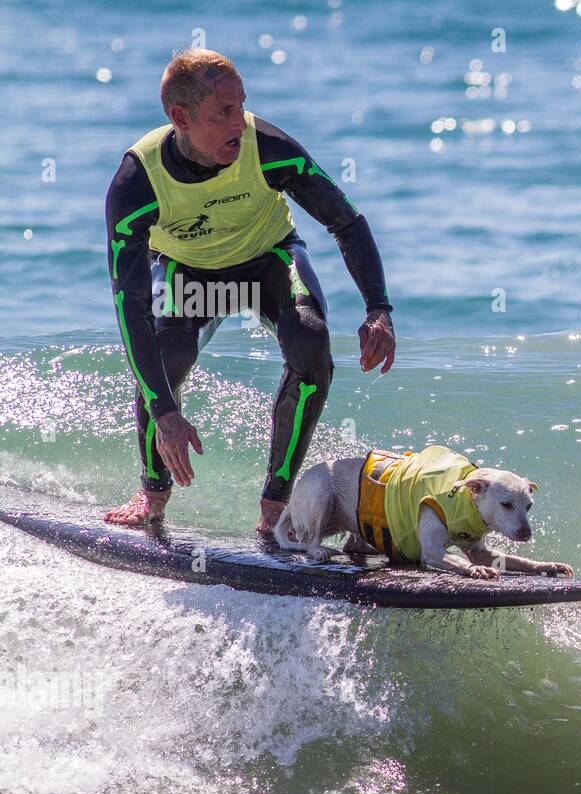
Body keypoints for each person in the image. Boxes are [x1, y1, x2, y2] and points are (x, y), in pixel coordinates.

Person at [103, 47, 396, 532]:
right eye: (224, 112)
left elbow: (346, 221)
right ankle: (152, 494)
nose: (240, 122)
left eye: (241, 105)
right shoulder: (138, 183)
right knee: (164, 354)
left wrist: (378, 310)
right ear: (181, 117)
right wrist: (165, 411)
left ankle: (275, 506)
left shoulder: (268, 147)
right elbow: (129, 304)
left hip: (268, 262)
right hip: (188, 272)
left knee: (310, 339)